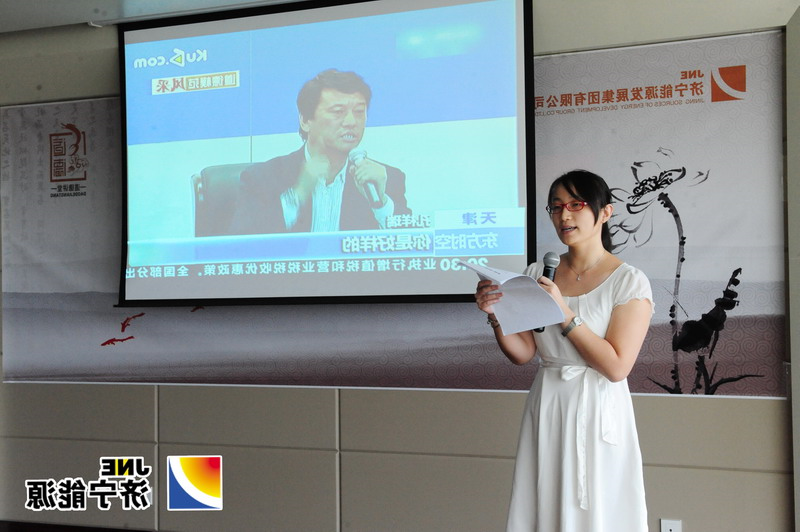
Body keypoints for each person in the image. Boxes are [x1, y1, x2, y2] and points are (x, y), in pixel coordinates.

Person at [475, 170, 652, 531]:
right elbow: (523, 352)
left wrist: (565, 311)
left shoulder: (629, 280)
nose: (564, 216)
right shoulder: (538, 273)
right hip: (549, 399)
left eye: (575, 205)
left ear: (605, 212)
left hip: (598, 406)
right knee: (544, 502)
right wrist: (495, 315)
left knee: (598, 509)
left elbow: (617, 367)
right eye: (556, 207)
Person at [229, 69, 411, 234]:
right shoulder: (262, 178)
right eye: (338, 112)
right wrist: (299, 194)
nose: (351, 122)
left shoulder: (384, 180)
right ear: (305, 121)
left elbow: (413, 248)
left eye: (359, 112)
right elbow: (241, 247)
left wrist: (381, 204)